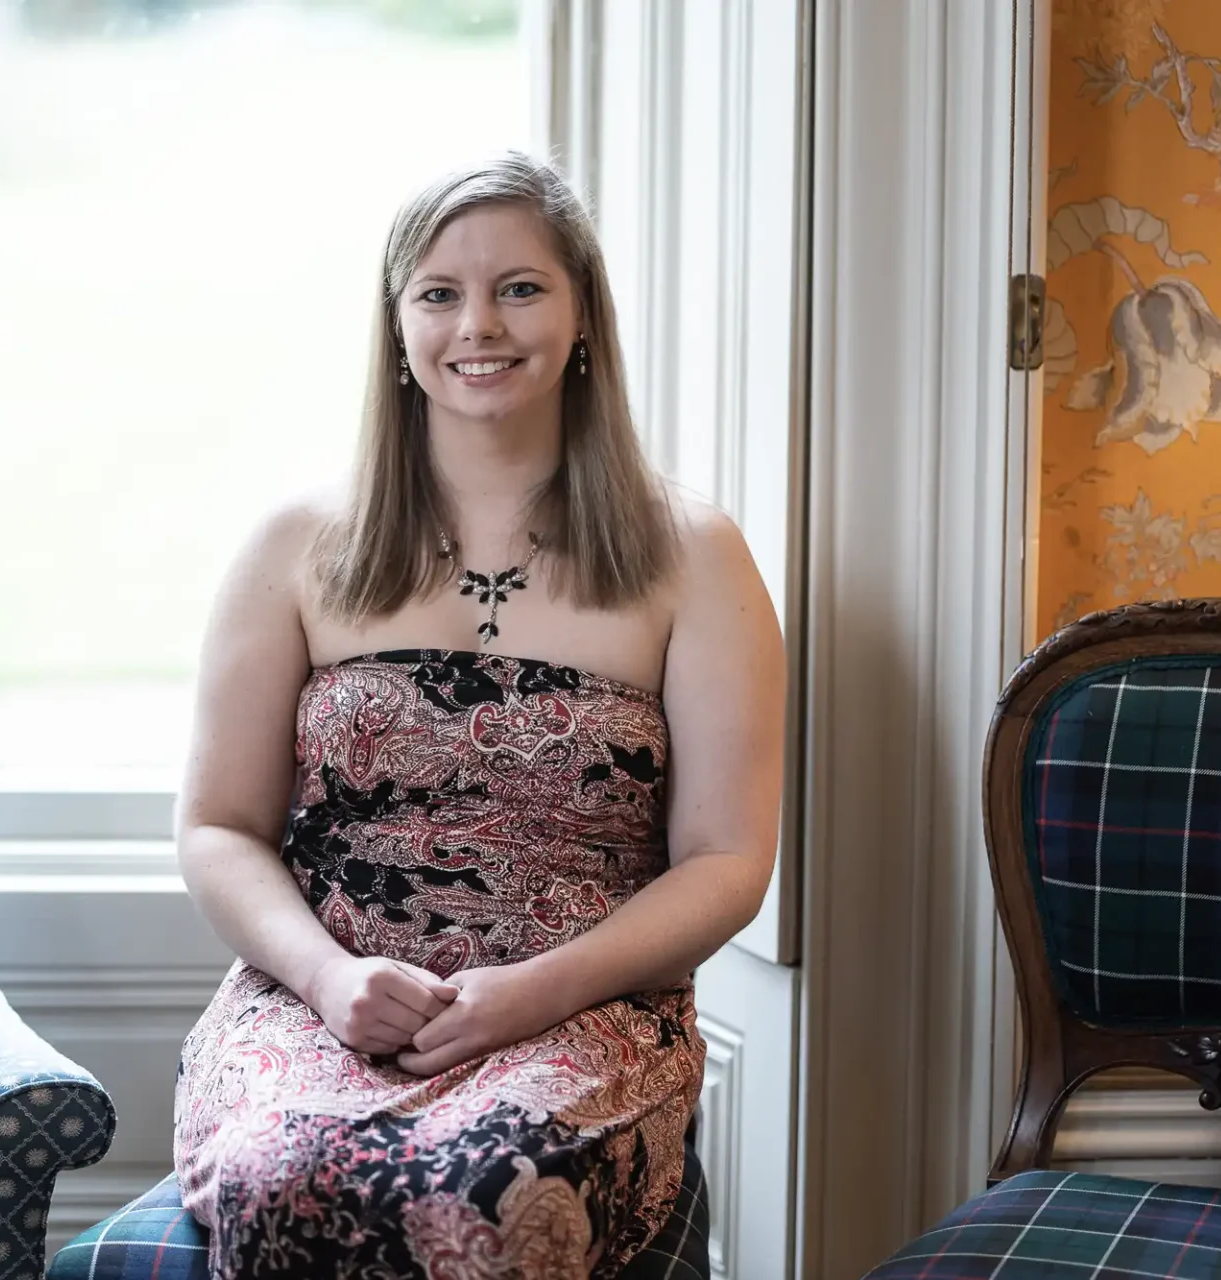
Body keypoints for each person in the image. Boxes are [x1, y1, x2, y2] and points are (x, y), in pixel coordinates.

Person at [171, 151, 784, 1279]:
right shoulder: (295, 544)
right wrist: (326, 978)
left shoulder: (694, 554)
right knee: (280, 1174)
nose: (478, 325)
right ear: (397, 327)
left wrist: (535, 991)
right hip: (324, 1003)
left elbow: (728, 859)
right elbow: (217, 826)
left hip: (582, 1005)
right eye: (440, 293)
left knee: (494, 1193)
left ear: (584, 311)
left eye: (520, 286)